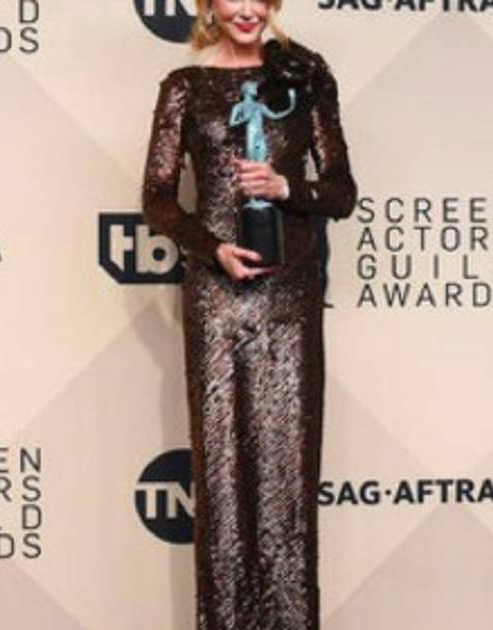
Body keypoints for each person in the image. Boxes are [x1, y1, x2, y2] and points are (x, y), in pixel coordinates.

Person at [140, 0, 357, 627]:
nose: (245, 10)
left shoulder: (306, 74)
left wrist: (287, 188)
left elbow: (341, 191)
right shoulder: (185, 87)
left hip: (290, 298)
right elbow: (156, 198)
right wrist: (211, 248)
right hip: (217, 299)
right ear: (210, 5)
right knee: (222, 474)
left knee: (289, 471)